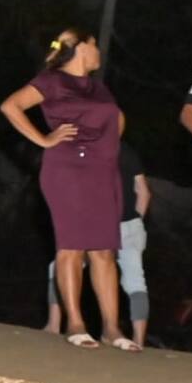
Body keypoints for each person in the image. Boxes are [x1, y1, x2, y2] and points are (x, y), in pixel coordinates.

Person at [0, 28, 139, 351]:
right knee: (72, 247)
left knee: (104, 250)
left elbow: (117, 118)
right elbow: (11, 106)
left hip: (103, 172)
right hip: (67, 170)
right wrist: (44, 139)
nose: (99, 52)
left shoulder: (98, 87)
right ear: (81, 48)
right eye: (95, 45)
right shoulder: (52, 81)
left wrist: (106, 145)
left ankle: (111, 328)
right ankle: (75, 322)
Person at [44, 141, 152, 346]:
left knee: (60, 265)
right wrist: (136, 219)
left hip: (99, 222)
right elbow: (143, 192)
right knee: (136, 280)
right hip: (131, 225)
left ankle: (54, 324)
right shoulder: (127, 151)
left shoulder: (86, 150)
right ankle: (138, 338)